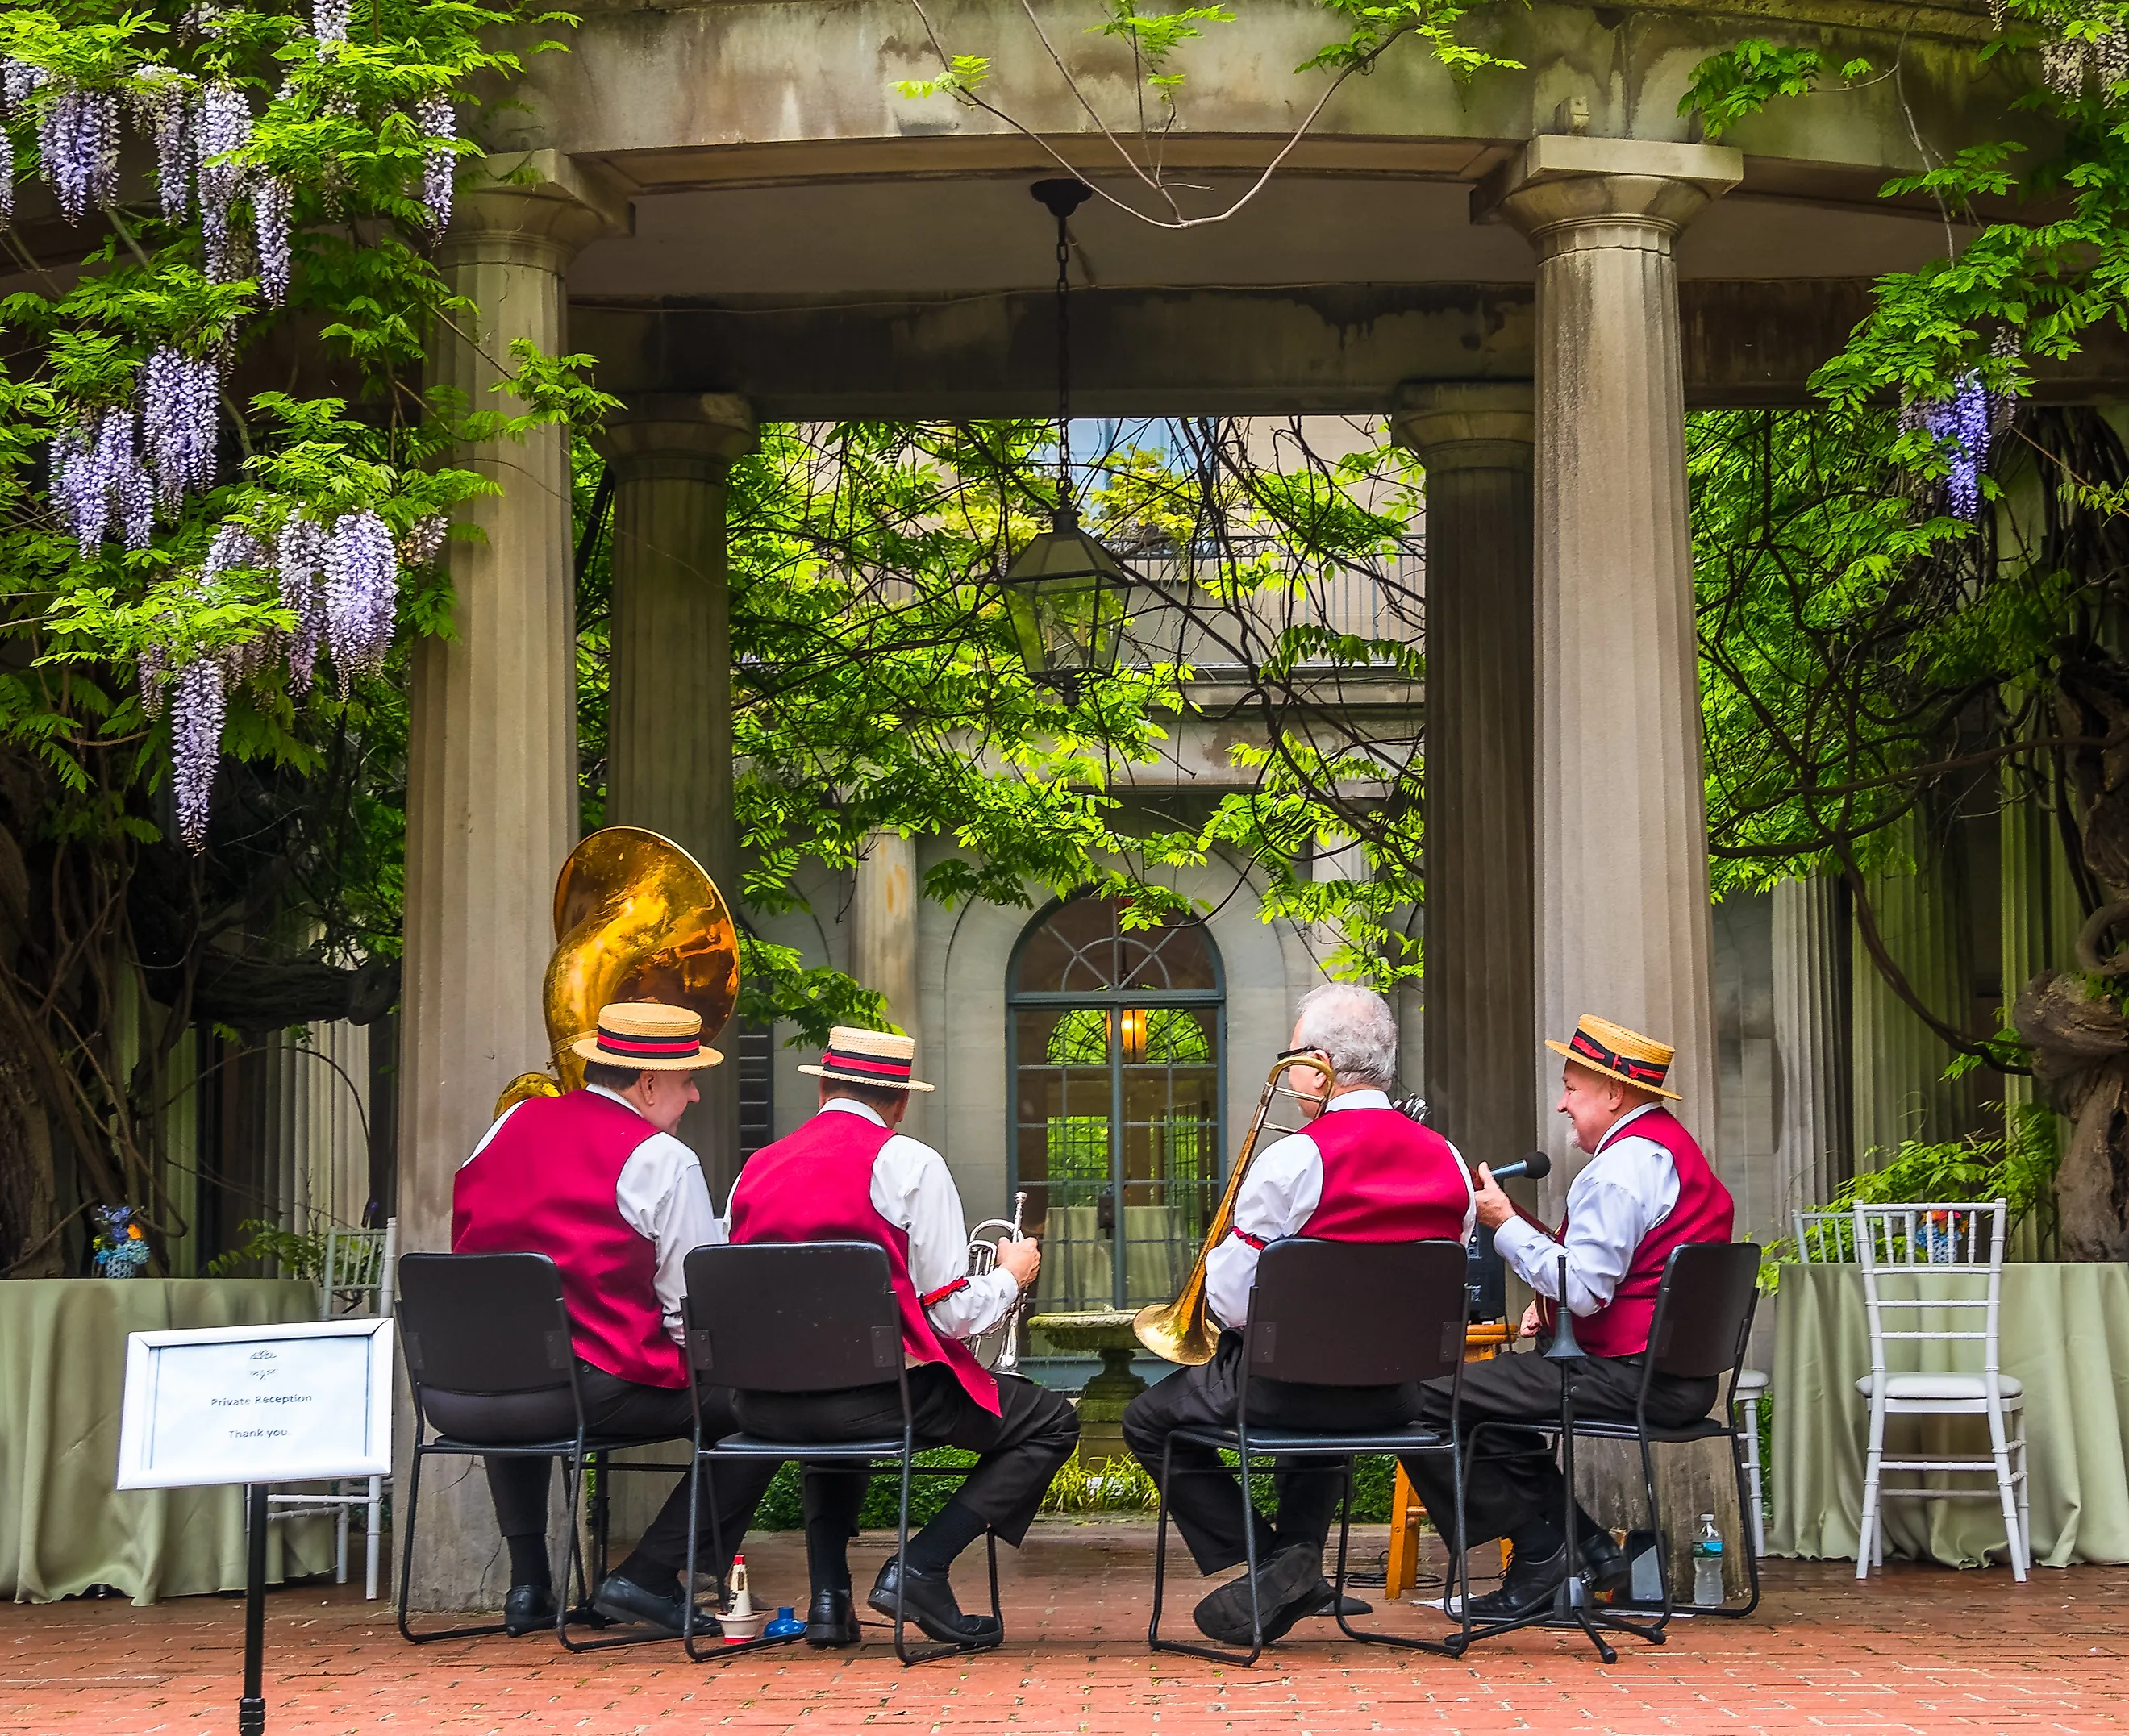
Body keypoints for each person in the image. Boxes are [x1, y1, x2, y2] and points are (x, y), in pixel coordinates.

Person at [1122, 983, 1476, 1647]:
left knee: (1148, 1419)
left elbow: (1228, 1298)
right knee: (1325, 1386)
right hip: (1398, 1399)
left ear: (1316, 1066)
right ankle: (1297, 1566)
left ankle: (1277, 1562)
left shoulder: (1293, 1158)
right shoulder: (1450, 1160)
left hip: (1283, 1393)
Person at [725, 1026, 1080, 1647]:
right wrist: (1009, 1276)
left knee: (830, 1406)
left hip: (765, 1405)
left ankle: (830, 1601)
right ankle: (921, 1565)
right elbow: (948, 1316)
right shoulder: (911, 1162)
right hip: (879, 1397)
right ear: (900, 1101)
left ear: (824, 1090)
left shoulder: (753, 1169)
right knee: (1050, 1421)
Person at [444, 1001, 779, 1636]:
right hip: (588, 1389)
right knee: (767, 1405)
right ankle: (650, 1573)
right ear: (648, 1083)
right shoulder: (663, 1159)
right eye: (686, 1080)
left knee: (517, 1355)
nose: (696, 1095)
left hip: (465, 1392)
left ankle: (528, 1586)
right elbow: (691, 1311)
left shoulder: (509, 1122)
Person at [1397, 1014, 1737, 1621]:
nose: (1562, 1103)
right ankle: (1582, 1545)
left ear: (1615, 1093)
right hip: (1678, 1377)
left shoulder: (1617, 1170)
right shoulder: (1670, 1152)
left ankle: (1545, 1553)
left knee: (1415, 1396)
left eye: (1572, 1088)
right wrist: (1547, 1300)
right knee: (1484, 1405)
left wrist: (1504, 1225)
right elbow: (1629, 1272)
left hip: (1627, 1373)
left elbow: (1584, 1289)